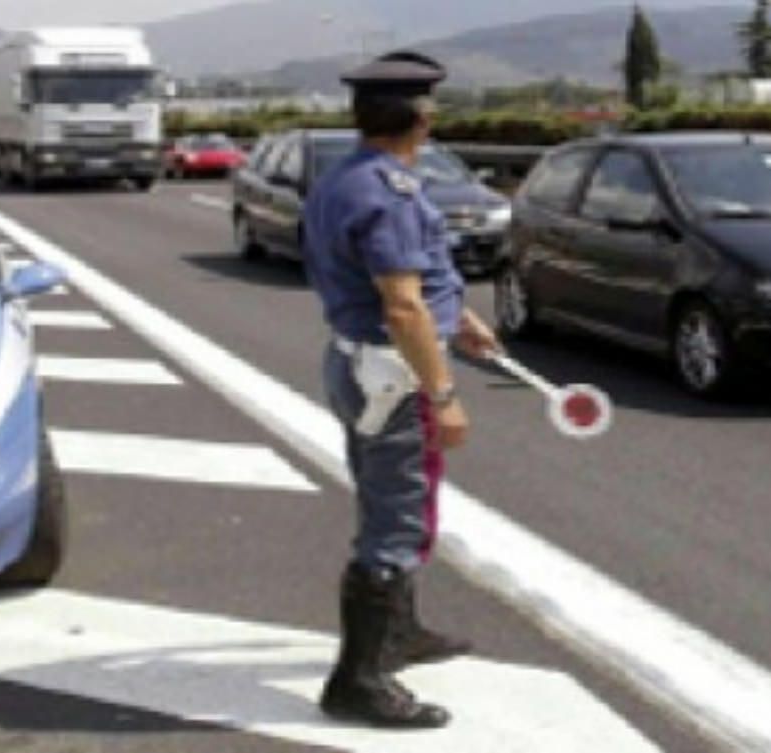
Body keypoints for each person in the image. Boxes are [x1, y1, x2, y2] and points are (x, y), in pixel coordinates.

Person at [301, 51, 500, 729]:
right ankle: (359, 680)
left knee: (388, 501)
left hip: (358, 363)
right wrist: (444, 394)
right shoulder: (389, 192)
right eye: (430, 108)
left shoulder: (348, 177)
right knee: (397, 521)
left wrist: (462, 317)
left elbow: (412, 279)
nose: (435, 117)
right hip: (393, 374)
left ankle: (400, 633)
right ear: (418, 116)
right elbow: (403, 305)